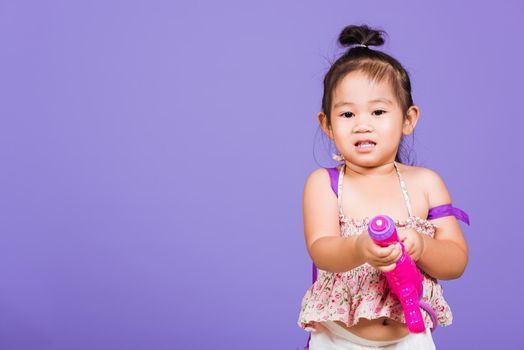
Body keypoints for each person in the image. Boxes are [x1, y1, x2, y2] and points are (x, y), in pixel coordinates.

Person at [297, 24, 471, 349]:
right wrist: (359, 248)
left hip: (410, 337)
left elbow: (456, 260)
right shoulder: (326, 184)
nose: (363, 124)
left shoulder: (425, 183)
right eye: (347, 114)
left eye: (378, 111)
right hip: (338, 338)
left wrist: (422, 245)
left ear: (408, 119)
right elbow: (321, 249)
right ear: (327, 125)